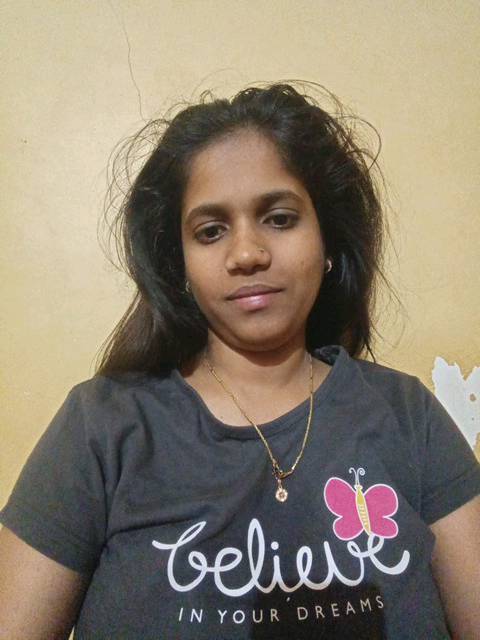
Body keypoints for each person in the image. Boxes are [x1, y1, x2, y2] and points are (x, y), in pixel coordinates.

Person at [0, 82, 479, 640]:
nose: (247, 253)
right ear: (179, 263)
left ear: (327, 241)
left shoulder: (408, 416)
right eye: (211, 231)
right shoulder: (101, 427)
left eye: (279, 218)